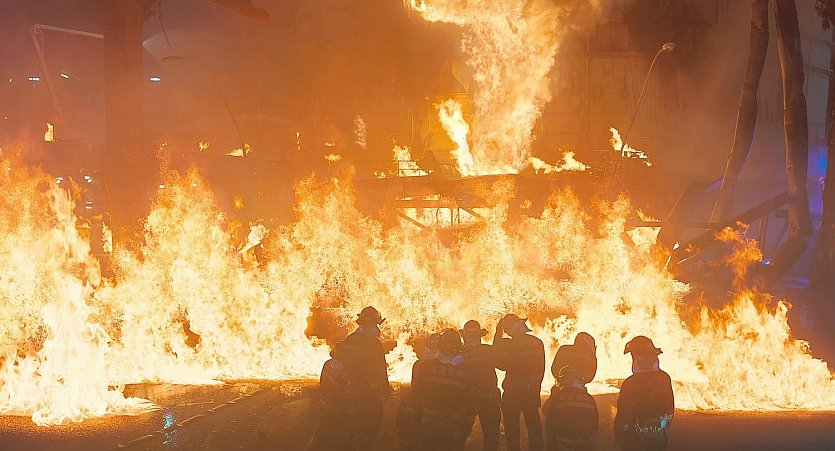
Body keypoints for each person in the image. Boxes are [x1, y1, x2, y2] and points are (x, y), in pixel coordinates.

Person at [411, 328, 475, 451]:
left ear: (439, 346)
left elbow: (416, 395)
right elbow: (469, 401)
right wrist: (465, 427)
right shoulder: (466, 371)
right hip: (452, 427)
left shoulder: (423, 366)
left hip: (429, 424)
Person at [338, 306, 391, 449]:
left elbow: (339, 358)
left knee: (353, 422)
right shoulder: (374, 343)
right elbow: (380, 368)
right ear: (373, 324)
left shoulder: (350, 339)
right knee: (374, 418)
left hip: (350, 388)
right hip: (369, 391)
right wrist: (386, 389)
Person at [494, 314, 546, 451]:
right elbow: (540, 369)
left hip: (512, 393)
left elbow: (499, 362)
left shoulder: (510, 345)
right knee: (534, 429)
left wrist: (497, 335)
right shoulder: (537, 342)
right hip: (530, 392)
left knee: (512, 432)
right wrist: (535, 388)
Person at [614, 336, 675, 451]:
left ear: (636, 357)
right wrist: (663, 428)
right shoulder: (664, 378)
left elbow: (624, 416)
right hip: (660, 439)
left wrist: (619, 436)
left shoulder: (631, 383)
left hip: (636, 441)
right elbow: (670, 410)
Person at [460, 320, 501, 451]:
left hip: (468, 399)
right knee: (491, 436)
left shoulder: (458, 352)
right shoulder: (488, 350)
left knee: (459, 434)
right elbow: (503, 365)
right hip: (485, 399)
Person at [397, 332, 441, 450]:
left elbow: (415, 386)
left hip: (424, 408)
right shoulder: (427, 365)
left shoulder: (420, 364)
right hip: (428, 409)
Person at [306, 341, 354, 450]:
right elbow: (347, 386)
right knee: (335, 430)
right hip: (338, 403)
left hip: (329, 402)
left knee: (325, 429)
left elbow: (323, 383)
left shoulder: (328, 364)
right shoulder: (345, 366)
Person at [543, 365, 598, 451]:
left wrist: (552, 396)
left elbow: (545, 412)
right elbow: (595, 424)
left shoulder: (557, 398)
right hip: (584, 445)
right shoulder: (589, 398)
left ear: (560, 381)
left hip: (561, 444)